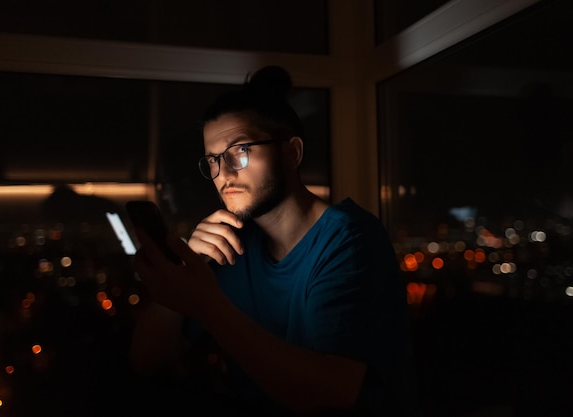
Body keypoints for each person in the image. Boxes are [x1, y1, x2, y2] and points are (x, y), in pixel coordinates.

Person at [128, 65, 418, 416]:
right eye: (213, 160)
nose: (224, 175)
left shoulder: (348, 238)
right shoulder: (229, 244)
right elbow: (147, 359)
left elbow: (334, 393)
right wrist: (180, 276)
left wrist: (205, 301)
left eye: (240, 151)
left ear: (291, 153)